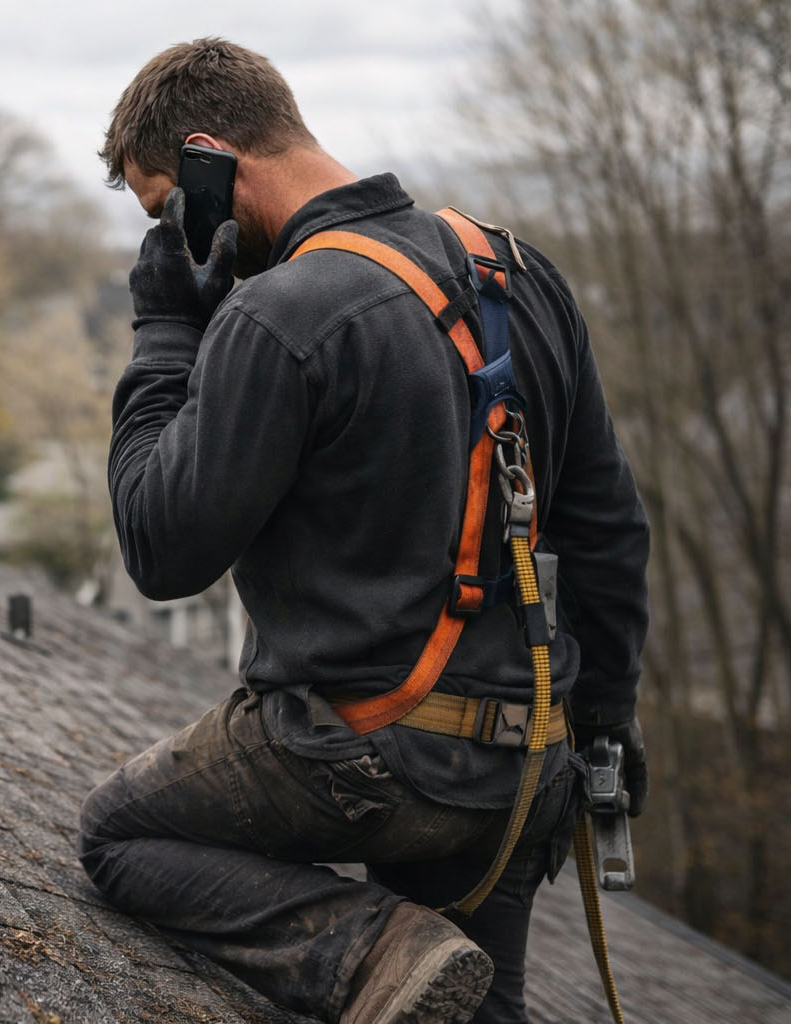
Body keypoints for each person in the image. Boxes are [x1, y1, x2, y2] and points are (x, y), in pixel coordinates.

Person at [77, 38, 650, 1024]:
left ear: (216, 160)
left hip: (362, 759)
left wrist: (167, 330)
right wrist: (601, 729)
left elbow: (159, 547)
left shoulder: (282, 313)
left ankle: (375, 949)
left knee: (117, 835)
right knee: (476, 1007)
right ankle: (422, 964)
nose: (169, 237)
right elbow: (608, 528)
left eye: (166, 206)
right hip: (524, 764)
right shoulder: (517, 271)